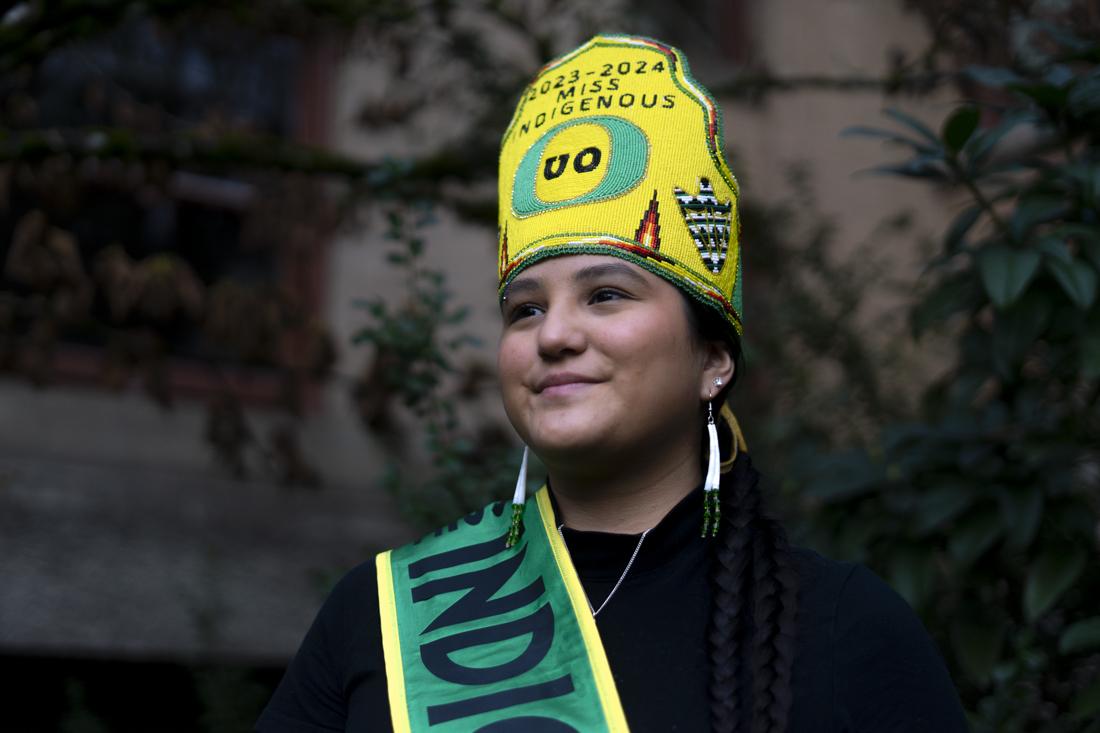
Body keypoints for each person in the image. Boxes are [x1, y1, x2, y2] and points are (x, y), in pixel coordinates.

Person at [257, 34, 969, 733]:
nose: (554, 333)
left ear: (713, 358)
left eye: (605, 295)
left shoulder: (844, 630)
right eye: (525, 308)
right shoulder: (375, 619)